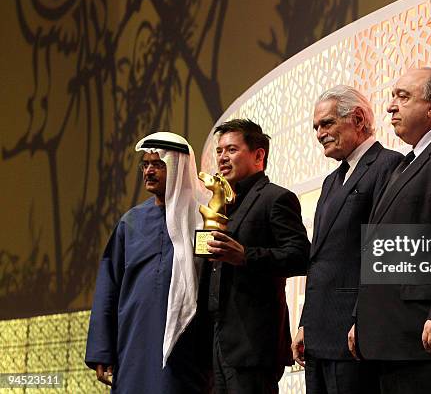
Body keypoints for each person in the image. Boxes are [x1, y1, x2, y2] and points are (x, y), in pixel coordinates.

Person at [354, 68, 431, 394]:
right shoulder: (407, 161)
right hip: (391, 336)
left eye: (403, 97)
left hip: (424, 334)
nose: (390, 106)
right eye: (392, 97)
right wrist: (360, 319)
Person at [291, 85, 402, 394]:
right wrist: (305, 324)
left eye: (326, 123)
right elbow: (321, 259)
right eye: (316, 126)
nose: (319, 133)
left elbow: (382, 252)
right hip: (319, 335)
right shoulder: (331, 181)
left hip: (353, 335)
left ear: (357, 119)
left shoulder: (387, 165)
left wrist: (364, 319)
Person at [85, 132, 214, 393]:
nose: (148, 172)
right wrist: (102, 350)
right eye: (145, 165)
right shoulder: (130, 222)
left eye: (157, 164)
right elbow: (108, 288)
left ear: (178, 168)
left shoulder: (203, 220)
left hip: (188, 346)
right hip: (133, 342)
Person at [202, 119, 310, 394]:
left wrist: (246, 256)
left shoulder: (276, 198)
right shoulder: (222, 206)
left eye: (231, 150)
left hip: (253, 342)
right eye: (219, 151)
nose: (222, 158)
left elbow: (299, 255)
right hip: (216, 338)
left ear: (258, 155)